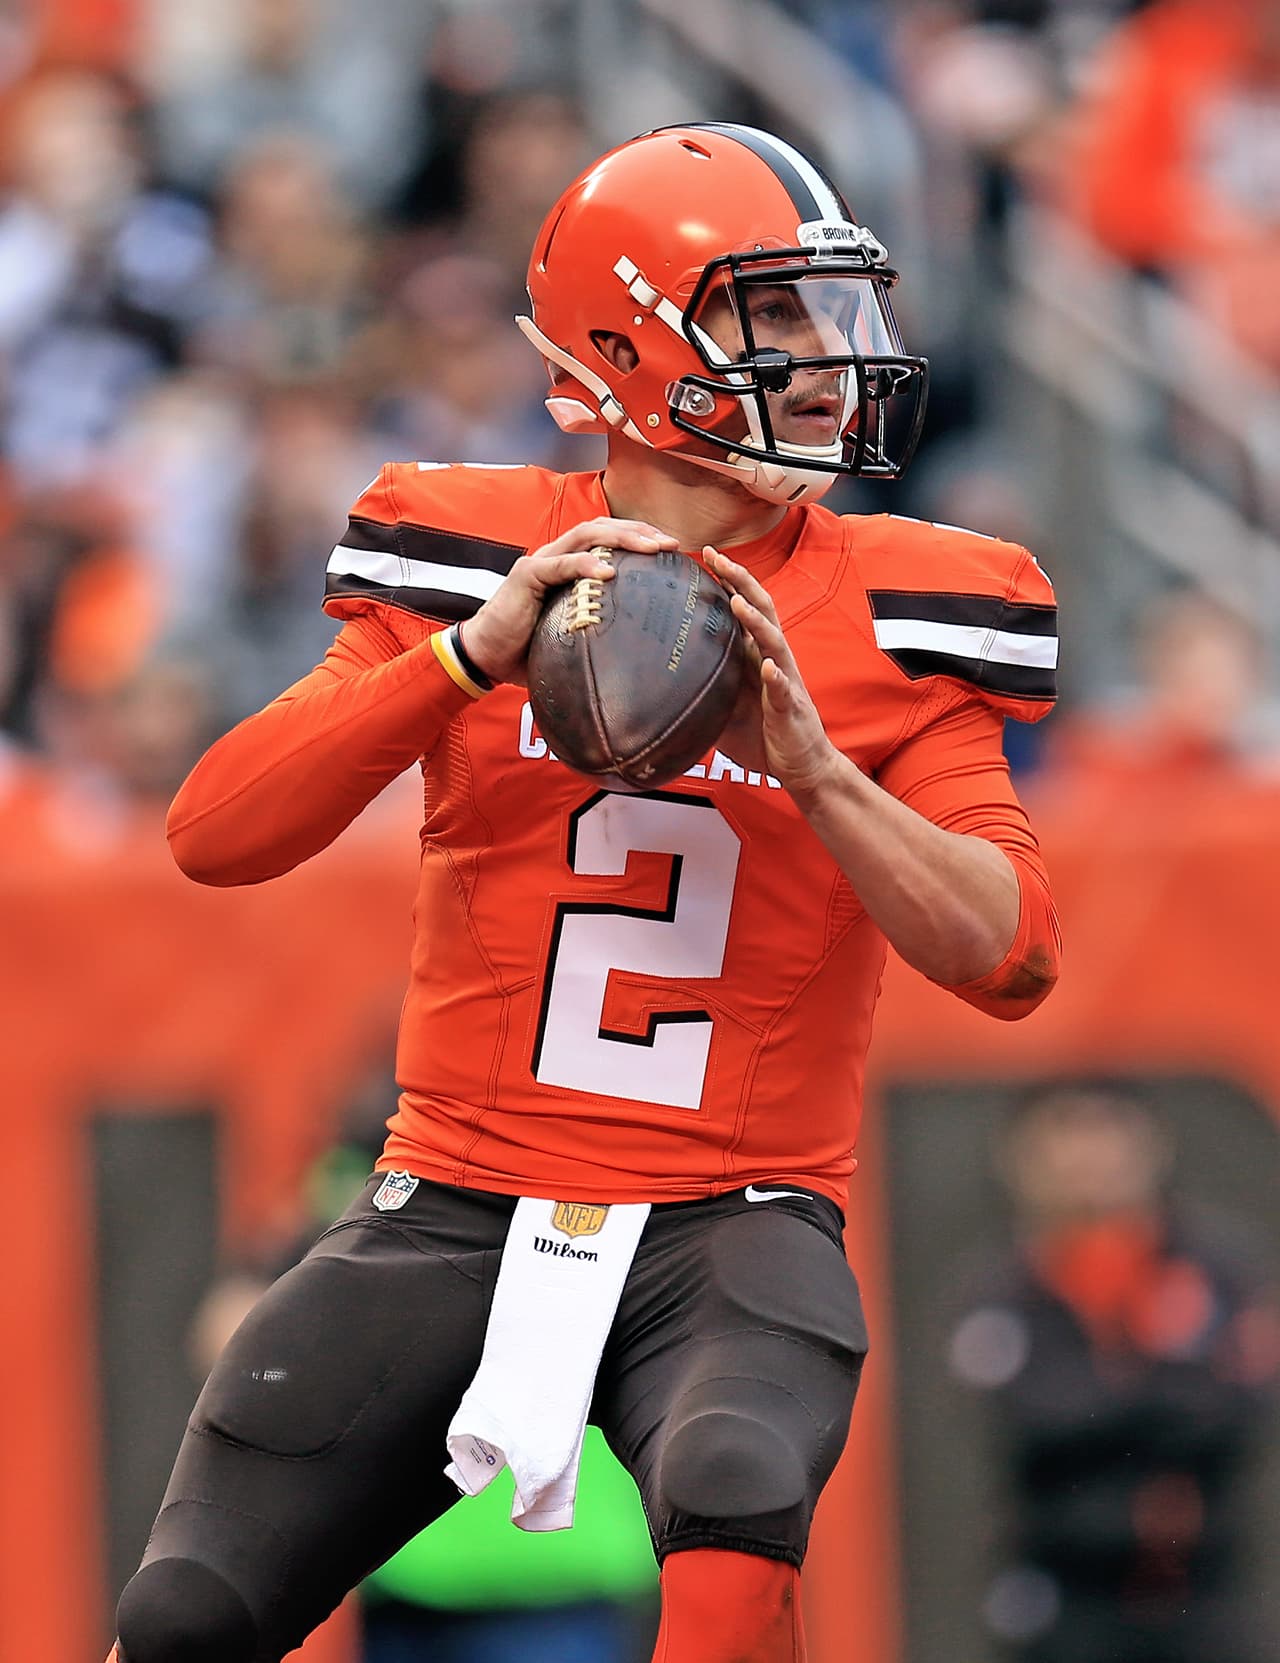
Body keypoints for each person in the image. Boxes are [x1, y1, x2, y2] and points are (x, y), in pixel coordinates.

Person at [109, 122, 1062, 1663]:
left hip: (733, 1210)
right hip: (453, 1192)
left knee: (732, 1478)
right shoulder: (470, 557)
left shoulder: (911, 613)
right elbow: (217, 831)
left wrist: (819, 769)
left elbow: (1014, 952)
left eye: (835, 315)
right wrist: (464, 658)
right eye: (776, 318)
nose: (830, 360)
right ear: (631, 343)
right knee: (183, 1608)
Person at [949, 1080, 1280, 1663]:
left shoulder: (1219, 1269)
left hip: (1204, 1591)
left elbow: (1242, 1405)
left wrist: (1111, 1398)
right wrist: (1162, 1383)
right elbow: (1032, 1417)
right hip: (1063, 1592)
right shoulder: (1001, 1290)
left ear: (1153, 1145)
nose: (1088, 1159)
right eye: (1065, 1135)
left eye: (1106, 1132)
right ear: (1021, 1158)